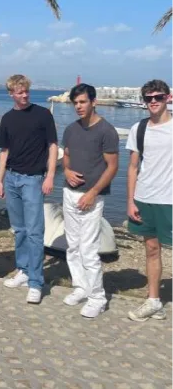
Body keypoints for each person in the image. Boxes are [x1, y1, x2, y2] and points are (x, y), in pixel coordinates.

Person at [0, 74, 58, 304]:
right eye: (20, 92)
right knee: (19, 230)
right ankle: (23, 270)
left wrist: (50, 176)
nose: (24, 95)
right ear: (11, 93)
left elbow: (53, 146)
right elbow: (4, 151)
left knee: (34, 232)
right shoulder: (7, 118)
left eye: (26, 91)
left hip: (33, 180)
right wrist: (0, 180)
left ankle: (36, 282)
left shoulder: (42, 115)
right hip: (11, 178)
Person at [62, 84, 119, 318]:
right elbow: (66, 157)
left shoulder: (106, 131)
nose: (78, 106)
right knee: (72, 246)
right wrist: (66, 171)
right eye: (75, 102)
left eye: (83, 102)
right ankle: (81, 287)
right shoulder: (71, 129)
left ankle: (97, 297)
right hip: (69, 193)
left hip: (92, 197)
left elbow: (112, 167)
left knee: (88, 249)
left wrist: (93, 192)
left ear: (93, 102)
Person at [126, 79, 172, 321]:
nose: (153, 101)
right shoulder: (139, 128)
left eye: (158, 97)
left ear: (168, 98)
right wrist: (130, 201)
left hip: (170, 200)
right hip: (145, 198)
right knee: (152, 250)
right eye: (148, 98)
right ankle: (153, 301)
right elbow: (133, 167)